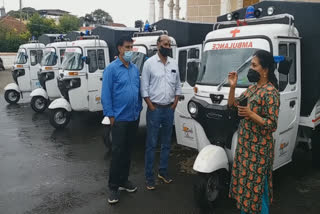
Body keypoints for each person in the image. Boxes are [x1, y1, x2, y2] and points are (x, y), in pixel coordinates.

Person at [228, 50, 280, 214]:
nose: (250, 68)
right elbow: (233, 105)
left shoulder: (271, 92)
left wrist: (251, 114)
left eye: (254, 65)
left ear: (265, 70)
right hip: (245, 148)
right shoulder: (251, 89)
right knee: (245, 188)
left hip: (259, 151)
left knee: (258, 191)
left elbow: (272, 125)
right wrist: (233, 87)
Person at [101, 36, 142, 204]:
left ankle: (124, 181)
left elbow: (137, 90)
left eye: (132, 47)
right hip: (119, 119)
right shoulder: (111, 69)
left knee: (127, 151)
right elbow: (106, 95)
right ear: (119, 48)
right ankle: (113, 187)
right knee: (117, 153)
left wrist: (139, 108)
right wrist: (111, 116)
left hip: (133, 117)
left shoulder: (134, 68)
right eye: (127, 47)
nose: (130, 50)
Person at [140, 35, 181, 190]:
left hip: (169, 109)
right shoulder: (149, 64)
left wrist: (175, 102)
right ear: (158, 45)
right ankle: (149, 176)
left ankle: (162, 172)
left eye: (169, 44)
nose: (167, 46)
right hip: (155, 109)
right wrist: (151, 106)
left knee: (166, 144)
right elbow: (144, 88)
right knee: (151, 144)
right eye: (165, 44)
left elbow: (177, 85)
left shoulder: (174, 63)